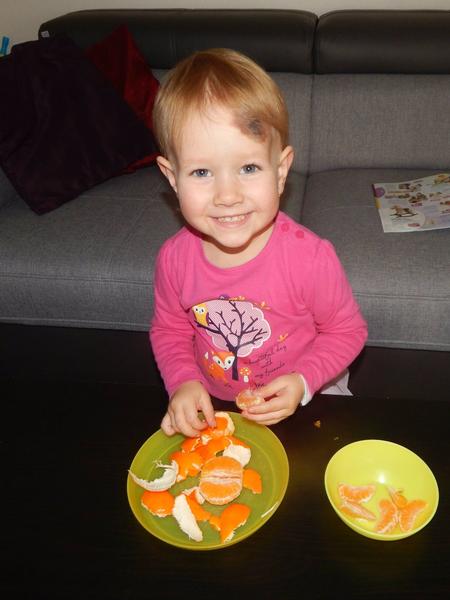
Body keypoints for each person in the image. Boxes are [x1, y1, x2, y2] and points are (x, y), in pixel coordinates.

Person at [150, 48, 368, 438]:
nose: (227, 195)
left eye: (248, 168)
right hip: (214, 400)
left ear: (280, 172)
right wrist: (183, 381)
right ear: (172, 178)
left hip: (308, 390)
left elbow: (347, 331)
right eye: (201, 172)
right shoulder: (174, 258)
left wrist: (304, 382)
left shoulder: (310, 258)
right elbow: (169, 331)